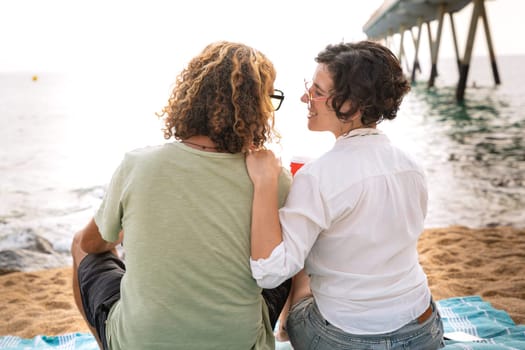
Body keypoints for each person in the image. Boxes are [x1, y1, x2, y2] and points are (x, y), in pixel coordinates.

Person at [71, 41, 292, 350]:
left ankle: (108, 343)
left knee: (77, 244)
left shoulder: (139, 165)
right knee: (288, 255)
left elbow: (90, 244)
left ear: (193, 95)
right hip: (238, 343)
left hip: (141, 342)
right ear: (257, 108)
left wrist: (125, 231)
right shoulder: (273, 178)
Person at [246, 40, 445, 349]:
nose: (304, 97)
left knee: (298, 263)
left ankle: (284, 326)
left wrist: (264, 184)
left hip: (343, 339)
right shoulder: (411, 166)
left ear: (352, 105)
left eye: (317, 91)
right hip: (423, 328)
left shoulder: (317, 176)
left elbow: (270, 273)